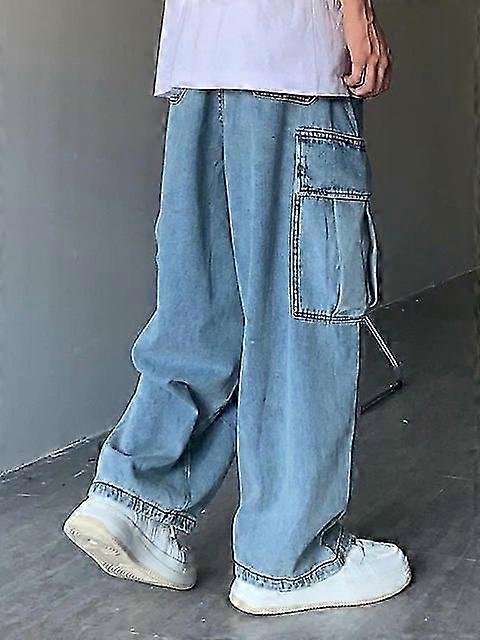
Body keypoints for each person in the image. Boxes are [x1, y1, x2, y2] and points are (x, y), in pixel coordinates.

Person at [63, 0, 412, 616]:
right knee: (301, 318)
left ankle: (137, 496)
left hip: (199, 58)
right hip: (291, 56)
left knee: (204, 305)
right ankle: (290, 560)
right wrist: (355, 10)